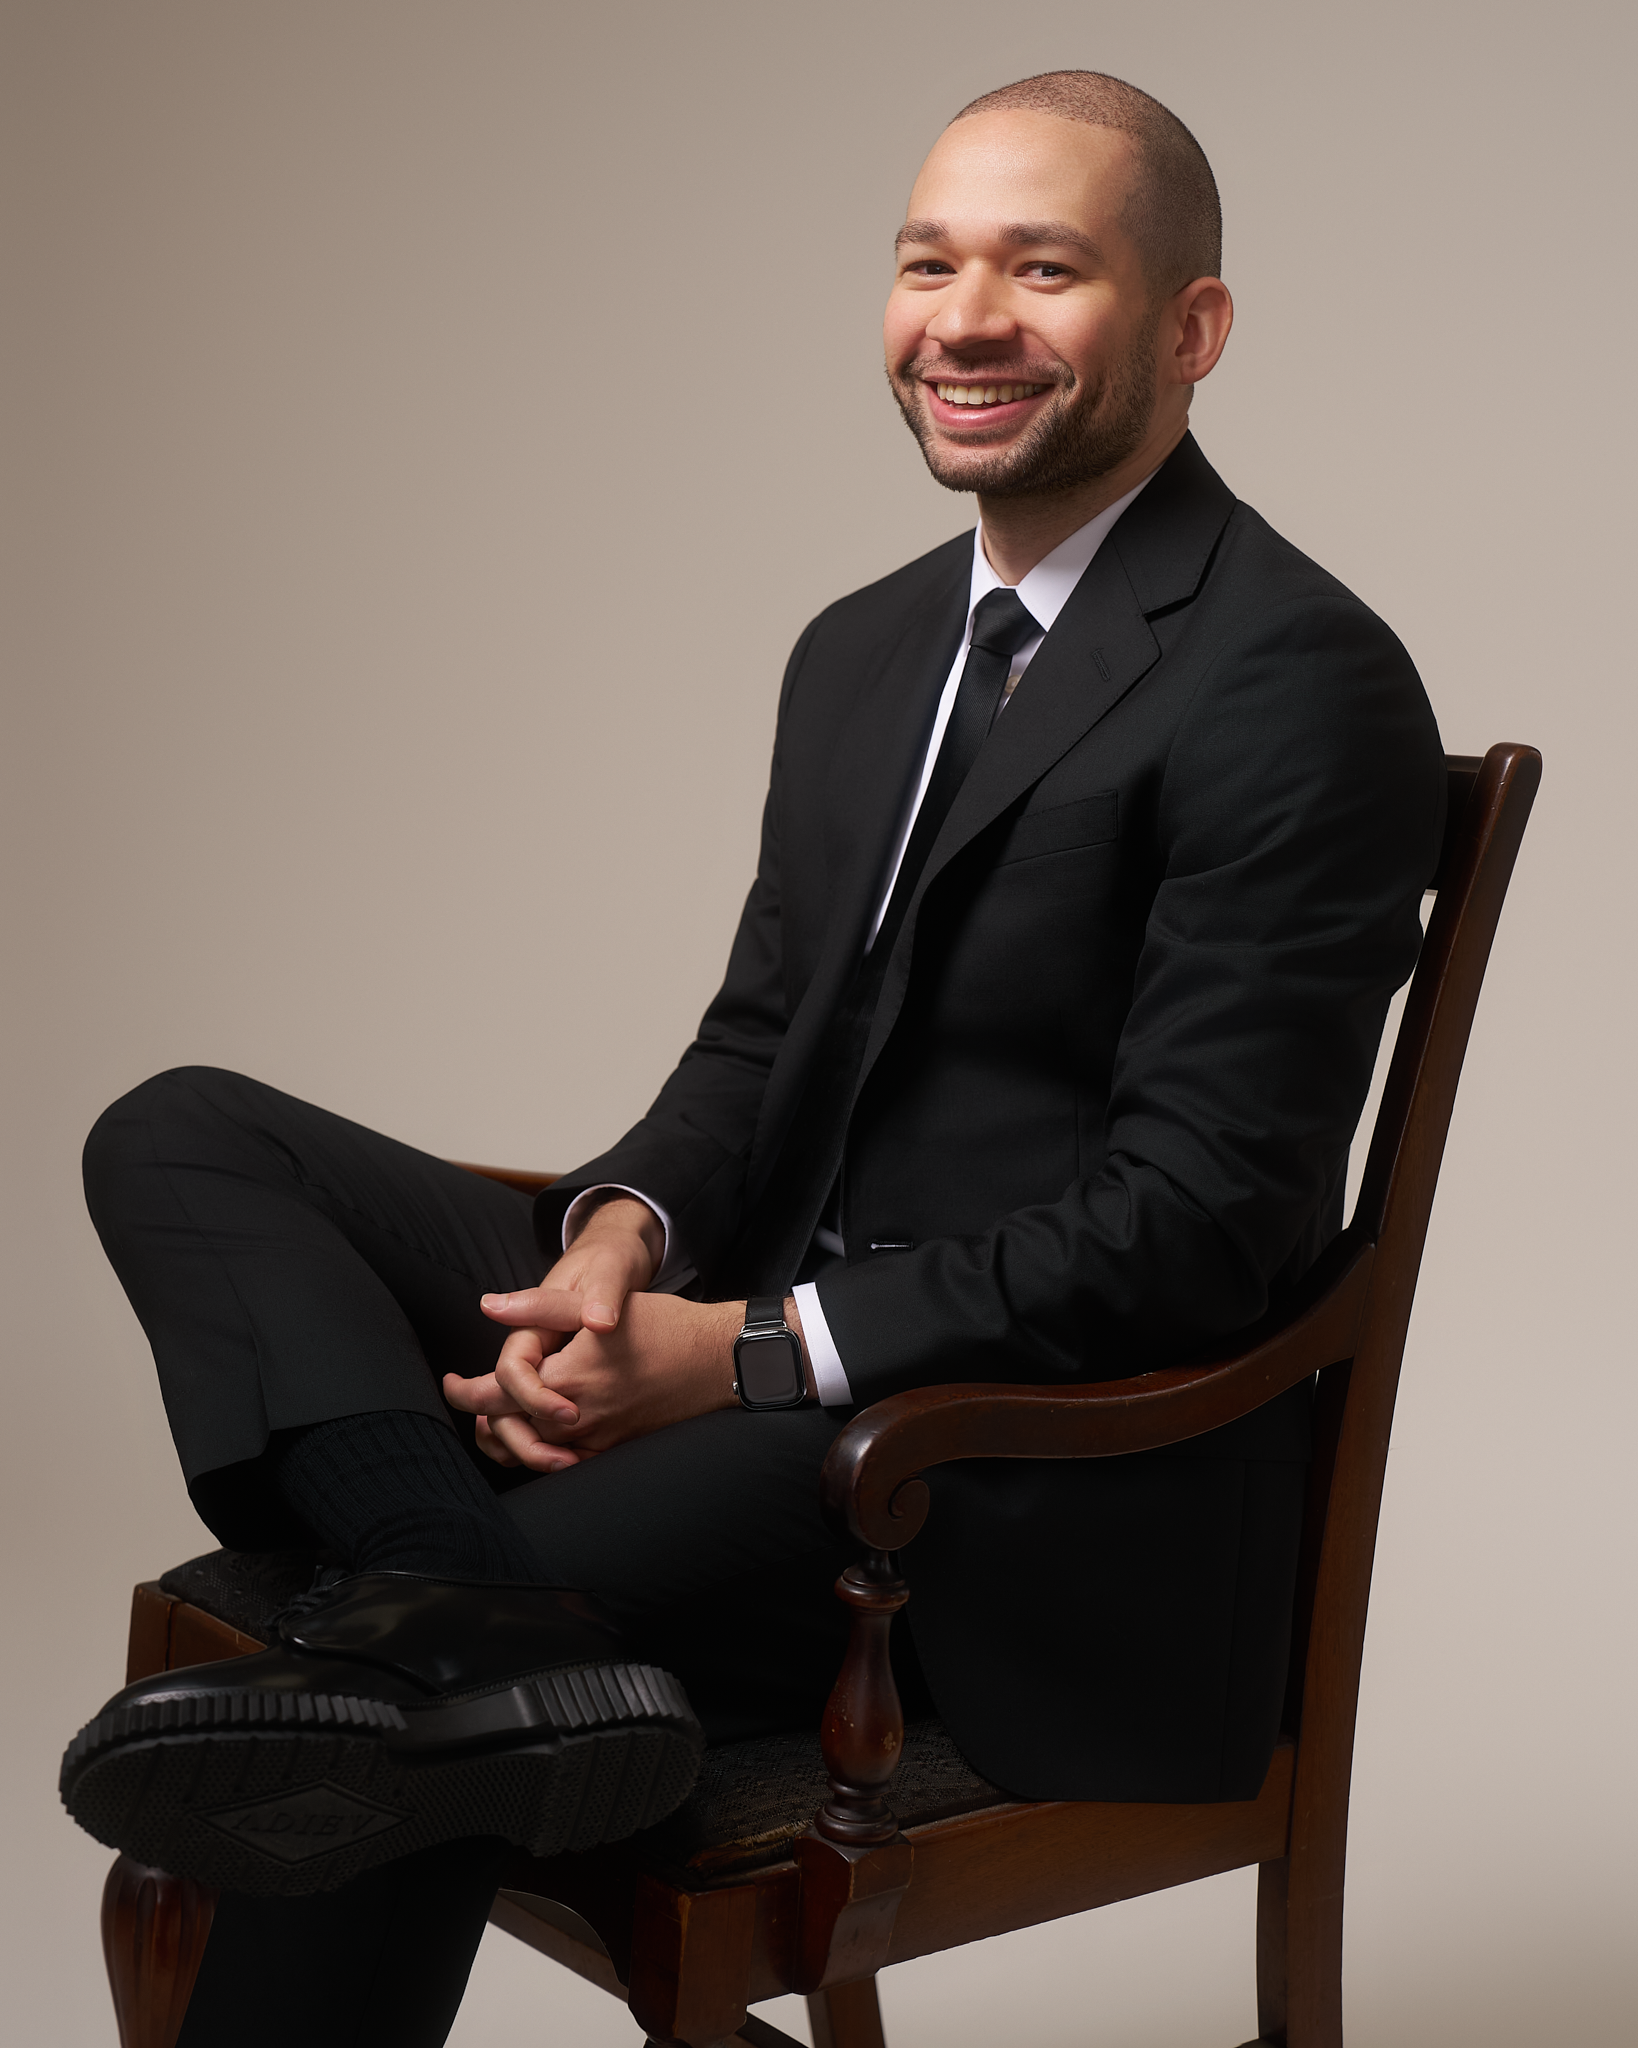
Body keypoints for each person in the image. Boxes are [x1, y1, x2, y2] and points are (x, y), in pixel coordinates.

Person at [61, 69, 1444, 2048]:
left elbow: (1195, 1233)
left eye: (1044, 267)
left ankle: (454, 1627)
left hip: (989, 1478)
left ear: (1192, 330)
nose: (963, 318)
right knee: (185, 1133)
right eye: (927, 261)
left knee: (359, 1699)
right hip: (746, 1351)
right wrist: (622, 1239)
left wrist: (740, 1352)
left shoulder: (1298, 682)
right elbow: (756, 1047)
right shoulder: (866, 647)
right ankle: (479, 1618)